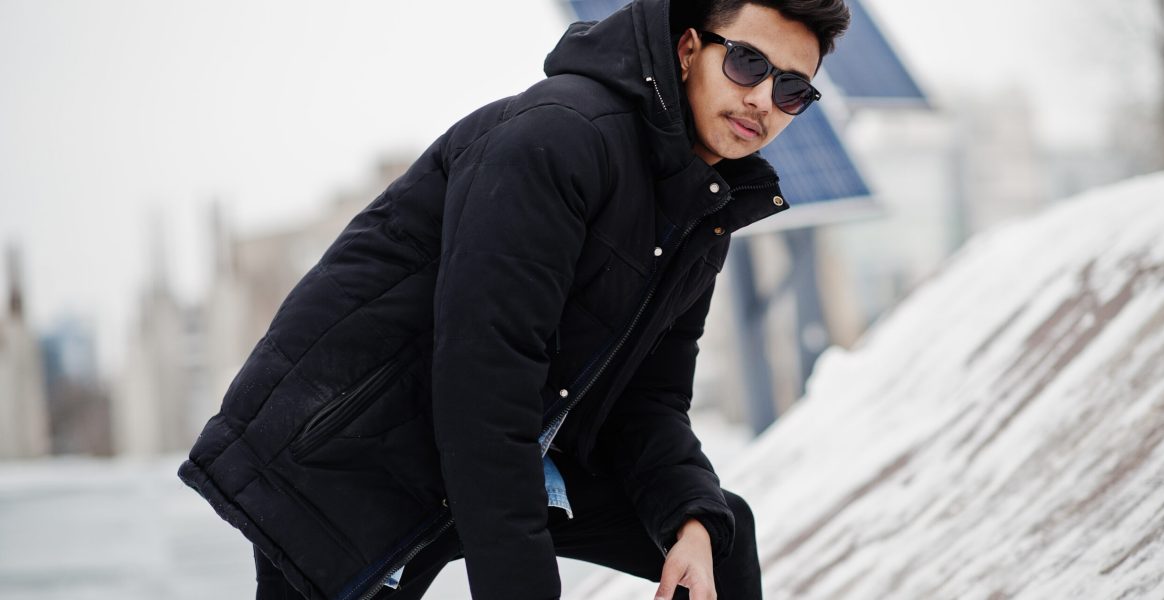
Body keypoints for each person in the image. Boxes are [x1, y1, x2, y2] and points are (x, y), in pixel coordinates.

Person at [178, 0, 850, 598]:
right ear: (687, 50)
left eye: (792, 88)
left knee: (719, 537)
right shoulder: (561, 137)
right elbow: (482, 388)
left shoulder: (699, 217)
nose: (764, 99)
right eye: (748, 63)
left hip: (493, 452)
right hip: (350, 453)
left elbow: (650, 403)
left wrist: (690, 520)